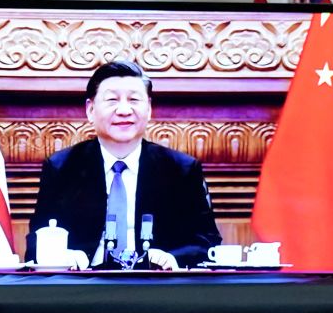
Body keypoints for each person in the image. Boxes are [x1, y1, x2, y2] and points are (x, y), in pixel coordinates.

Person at [27, 60, 221, 270]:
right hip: (83, 286)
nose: (124, 110)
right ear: (90, 110)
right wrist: (66, 256)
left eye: (134, 99)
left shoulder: (181, 169)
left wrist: (173, 258)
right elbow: (36, 240)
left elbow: (207, 241)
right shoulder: (62, 167)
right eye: (112, 100)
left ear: (149, 109)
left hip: (157, 287)